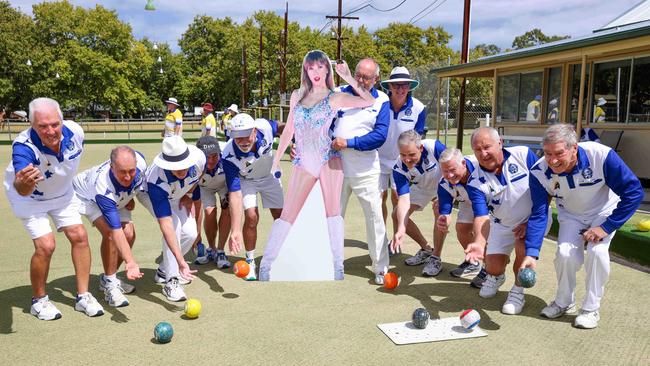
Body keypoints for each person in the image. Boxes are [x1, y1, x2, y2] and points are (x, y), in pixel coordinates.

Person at [258, 50, 376, 281]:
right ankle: (267, 264)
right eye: (311, 67)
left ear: (327, 70)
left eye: (320, 67)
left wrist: (348, 77)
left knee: (333, 212)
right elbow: (289, 130)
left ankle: (337, 266)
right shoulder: (297, 96)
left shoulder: (335, 97)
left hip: (328, 158)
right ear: (306, 70)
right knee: (288, 213)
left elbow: (368, 100)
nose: (316, 72)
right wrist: (275, 159)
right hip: (304, 160)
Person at [522, 123, 643, 329]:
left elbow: (633, 192)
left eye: (559, 153)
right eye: (547, 153)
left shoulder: (602, 155)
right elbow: (539, 213)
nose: (552, 160)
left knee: (597, 252)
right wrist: (531, 254)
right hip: (571, 214)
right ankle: (564, 302)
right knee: (565, 255)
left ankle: (590, 308)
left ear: (574, 148)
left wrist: (606, 227)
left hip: (604, 212)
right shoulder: (540, 172)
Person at [3, 97, 104, 320]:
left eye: (54, 124)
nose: (50, 131)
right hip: (30, 198)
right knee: (46, 245)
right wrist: (25, 182)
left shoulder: (76, 132)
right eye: (42, 126)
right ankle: (38, 301)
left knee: (79, 235)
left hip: (62, 194)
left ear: (62, 120)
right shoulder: (23, 148)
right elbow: (21, 189)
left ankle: (83, 296)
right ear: (32, 125)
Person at [464, 127, 545, 315]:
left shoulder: (524, 155)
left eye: (487, 147)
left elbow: (544, 186)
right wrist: (478, 242)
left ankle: (517, 291)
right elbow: (482, 216)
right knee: (493, 266)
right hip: (501, 223)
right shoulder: (474, 181)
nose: (483, 153)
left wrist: (531, 221)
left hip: (531, 219)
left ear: (499, 142)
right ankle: (496, 277)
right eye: (477, 149)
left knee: (523, 246)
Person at [331, 58, 390, 285]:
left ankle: (380, 268)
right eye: (359, 75)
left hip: (366, 169)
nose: (362, 80)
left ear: (376, 79)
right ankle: (332, 262)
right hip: (334, 168)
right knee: (333, 217)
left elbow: (380, 136)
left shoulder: (381, 100)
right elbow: (323, 124)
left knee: (375, 217)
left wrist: (349, 142)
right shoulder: (337, 93)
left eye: (367, 77)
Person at [73, 146, 146, 307]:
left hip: (117, 197)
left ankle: (107, 278)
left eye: (131, 171)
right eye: (122, 172)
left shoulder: (140, 162)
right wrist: (131, 262)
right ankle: (110, 284)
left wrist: (129, 195)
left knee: (129, 235)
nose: (128, 176)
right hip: (86, 197)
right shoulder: (103, 188)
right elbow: (115, 231)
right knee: (110, 234)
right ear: (112, 168)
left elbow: (136, 182)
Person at [140, 136, 204, 301]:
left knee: (191, 233)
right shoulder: (156, 181)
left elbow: (199, 175)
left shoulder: (199, 159)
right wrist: (182, 262)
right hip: (152, 195)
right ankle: (171, 281)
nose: (181, 170)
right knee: (173, 224)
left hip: (177, 195)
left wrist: (189, 193)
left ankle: (163, 270)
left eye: (183, 165)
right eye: (176, 167)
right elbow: (166, 225)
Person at [222, 113, 284, 281]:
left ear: (255, 132)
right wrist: (235, 230)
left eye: (246, 135)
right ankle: (250, 261)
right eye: (237, 137)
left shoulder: (264, 127)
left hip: (270, 176)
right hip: (247, 181)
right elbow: (234, 194)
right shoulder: (228, 156)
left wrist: (296, 141)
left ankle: (281, 254)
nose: (242, 141)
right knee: (251, 217)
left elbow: (282, 127)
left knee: (281, 216)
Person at [390, 131, 451, 278]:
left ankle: (435, 258)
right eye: (403, 155)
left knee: (439, 214)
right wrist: (401, 229)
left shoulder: (435, 147)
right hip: (422, 188)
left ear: (421, 148)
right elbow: (404, 199)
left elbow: (450, 166)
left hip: (443, 185)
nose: (407, 159)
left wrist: (444, 195)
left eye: (411, 154)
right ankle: (426, 249)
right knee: (396, 215)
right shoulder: (399, 167)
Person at [377, 66, 426, 238]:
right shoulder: (379, 104)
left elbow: (418, 137)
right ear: (389, 87)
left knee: (398, 199)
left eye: (404, 85)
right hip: (378, 159)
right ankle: (381, 239)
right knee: (379, 198)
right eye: (395, 85)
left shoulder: (419, 108)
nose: (400, 89)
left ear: (409, 87)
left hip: (401, 161)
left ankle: (395, 238)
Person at [435, 147, 490, 287]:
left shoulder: (481, 166)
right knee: (462, 228)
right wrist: (443, 220)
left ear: (464, 164)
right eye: (445, 171)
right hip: (468, 200)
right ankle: (475, 262)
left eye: (453, 170)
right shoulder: (444, 183)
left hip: (490, 199)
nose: (450, 175)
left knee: (485, 234)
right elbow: (445, 213)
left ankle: (490, 270)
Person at [194, 136, 232, 268]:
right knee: (210, 212)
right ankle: (211, 249)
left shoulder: (228, 157)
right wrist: (196, 235)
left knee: (227, 210)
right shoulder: (192, 163)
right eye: (207, 157)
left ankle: (221, 251)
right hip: (204, 189)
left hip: (224, 185)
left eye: (214, 156)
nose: (211, 161)